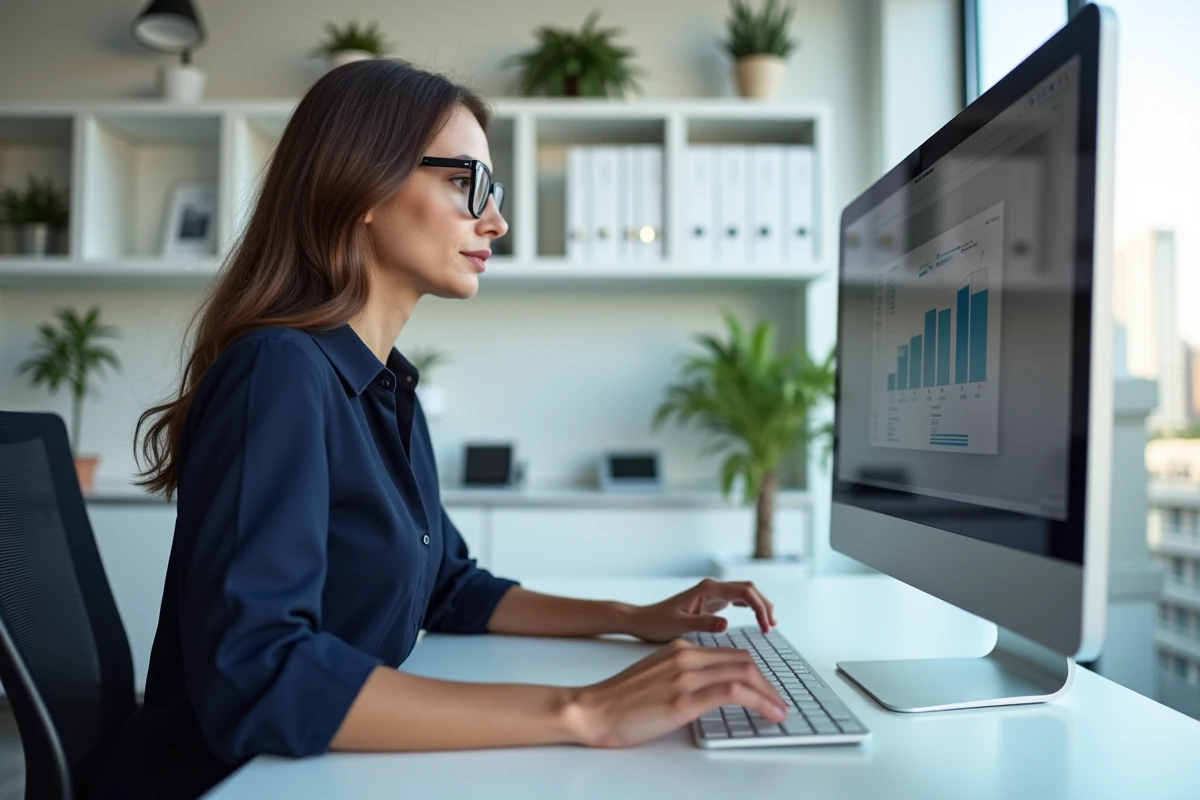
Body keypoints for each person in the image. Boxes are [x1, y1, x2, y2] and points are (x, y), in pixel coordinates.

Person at [88, 60, 787, 799]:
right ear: (361, 183)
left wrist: (635, 618)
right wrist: (583, 710)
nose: (496, 221)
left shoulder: (388, 386)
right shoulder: (279, 373)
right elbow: (259, 672)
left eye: (494, 192)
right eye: (466, 183)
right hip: (231, 781)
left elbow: (450, 589)